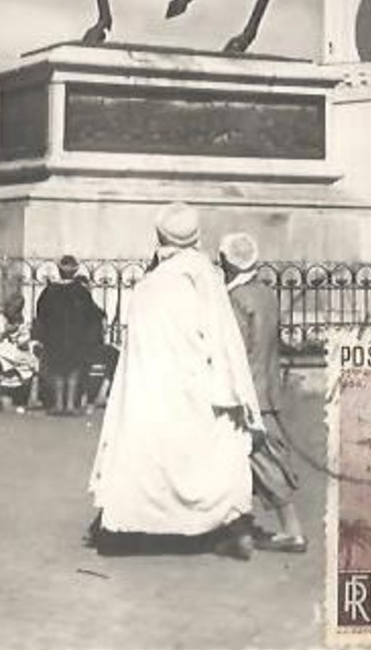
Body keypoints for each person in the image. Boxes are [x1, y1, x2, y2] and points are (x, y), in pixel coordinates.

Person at [89, 202, 263, 560]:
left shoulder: (150, 283)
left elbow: (134, 346)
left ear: (159, 235)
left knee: (149, 454)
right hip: (197, 382)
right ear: (196, 236)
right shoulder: (205, 276)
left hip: (151, 387)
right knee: (218, 449)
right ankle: (228, 527)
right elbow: (224, 337)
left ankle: (138, 530)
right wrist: (238, 391)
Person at [219, 231, 307, 554]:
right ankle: (239, 527)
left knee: (262, 459)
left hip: (248, 392)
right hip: (269, 387)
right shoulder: (267, 294)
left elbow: (238, 348)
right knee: (263, 456)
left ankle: (291, 530)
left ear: (225, 261)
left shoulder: (235, 299)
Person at [34, 255, 94, 415]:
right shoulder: (81, 291)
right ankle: (70, 405)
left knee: (58, 371)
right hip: (76, 337)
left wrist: (41, 336)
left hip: (55, 337)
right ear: (75, 270)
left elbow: (40, 314)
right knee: (73, 371)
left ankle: (59, 404)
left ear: (59, 270)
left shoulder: (49, 291)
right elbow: (91, 315)